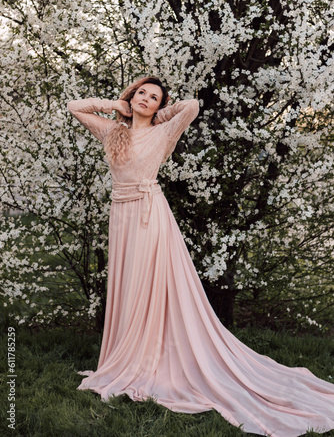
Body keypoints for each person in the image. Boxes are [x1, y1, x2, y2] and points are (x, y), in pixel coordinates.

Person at [68, 76, 334, 437]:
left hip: (150, 215)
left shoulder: (164, 134)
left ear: (160, 105)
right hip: (122, 216)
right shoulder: (113, 131)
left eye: (154, 97)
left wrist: (162, 117)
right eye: (142, 93)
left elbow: (191, 106)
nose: (146, 99)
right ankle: (125, 355)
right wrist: (118, 106)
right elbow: (74, 107)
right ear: (132, 96)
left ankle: (147, 357)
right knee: (129, 285)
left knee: (148, 285)